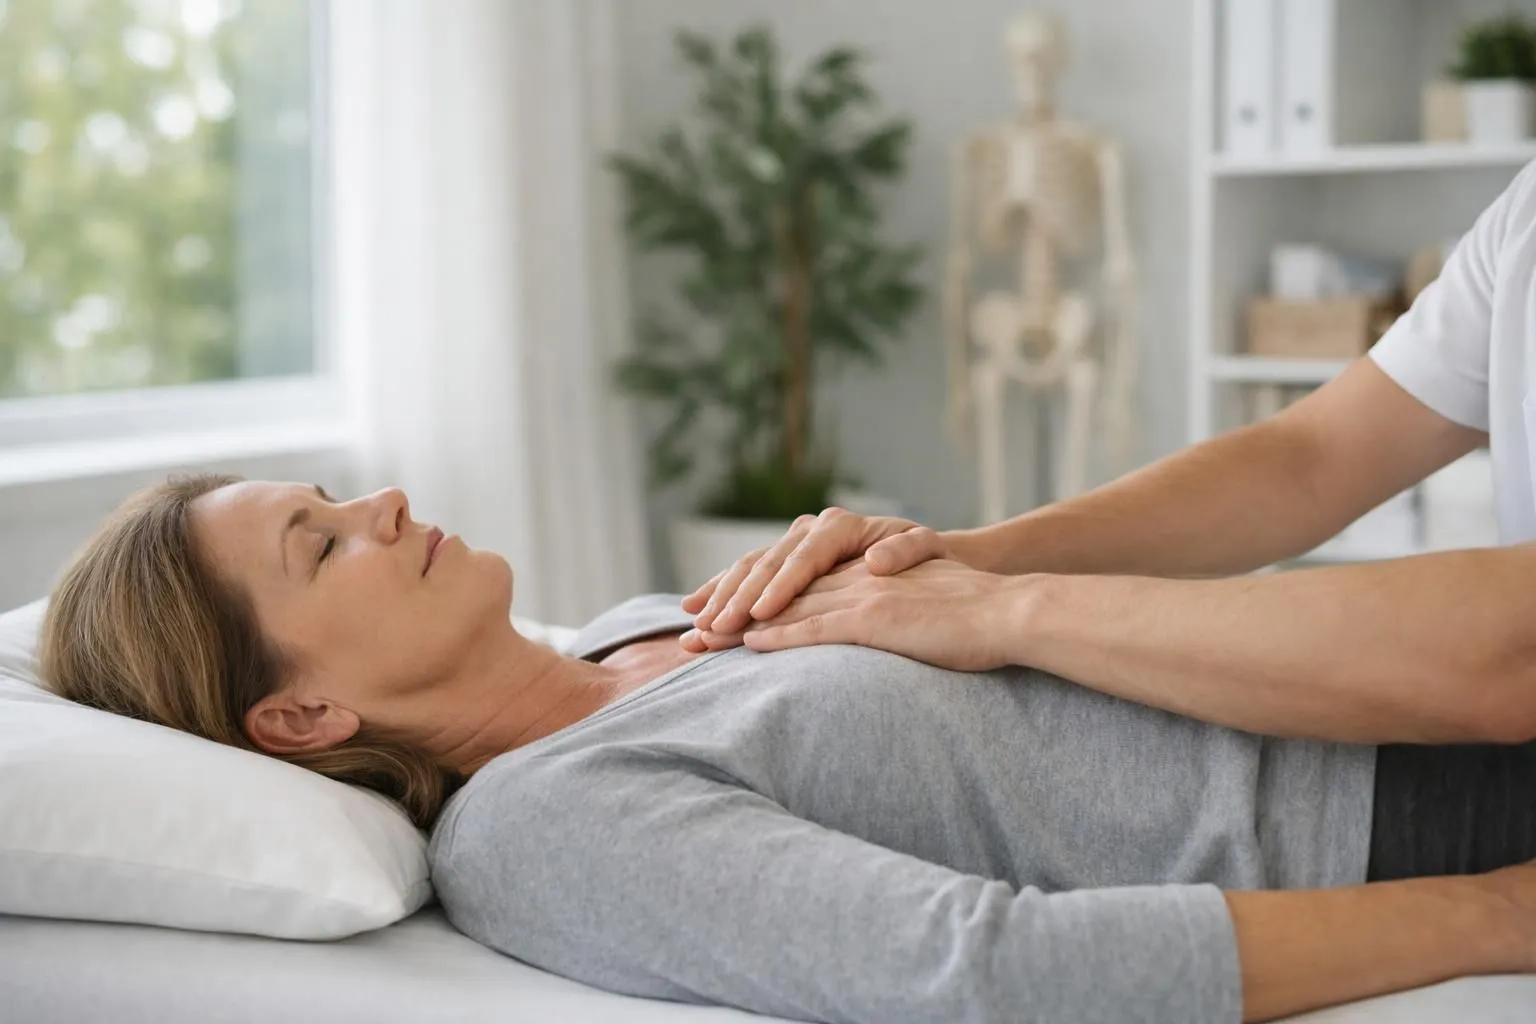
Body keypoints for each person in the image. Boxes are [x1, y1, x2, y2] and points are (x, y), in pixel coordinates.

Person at [40, 474, 1535, 1024]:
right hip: (1414, 804)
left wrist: (936, 558)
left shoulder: (640, 629)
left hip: (1366, 660)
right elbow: (987, 972)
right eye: (322, 544)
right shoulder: (544, 828)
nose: (380, 506)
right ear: (301, 719)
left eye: (333, 494)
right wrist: (1494, 916)